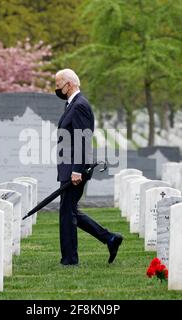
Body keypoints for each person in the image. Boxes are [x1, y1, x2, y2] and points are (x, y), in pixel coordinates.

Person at [55, 68, 123, 266]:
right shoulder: (72, 105)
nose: (57, 89)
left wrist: (77, 169)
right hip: (69, 167)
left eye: (59, 85)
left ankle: (70, 259)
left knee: (67, 213)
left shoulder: (79, 106)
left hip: (75, 169)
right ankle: (110, 238)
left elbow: (83, 140)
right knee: (70, 210)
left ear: (70, 84)